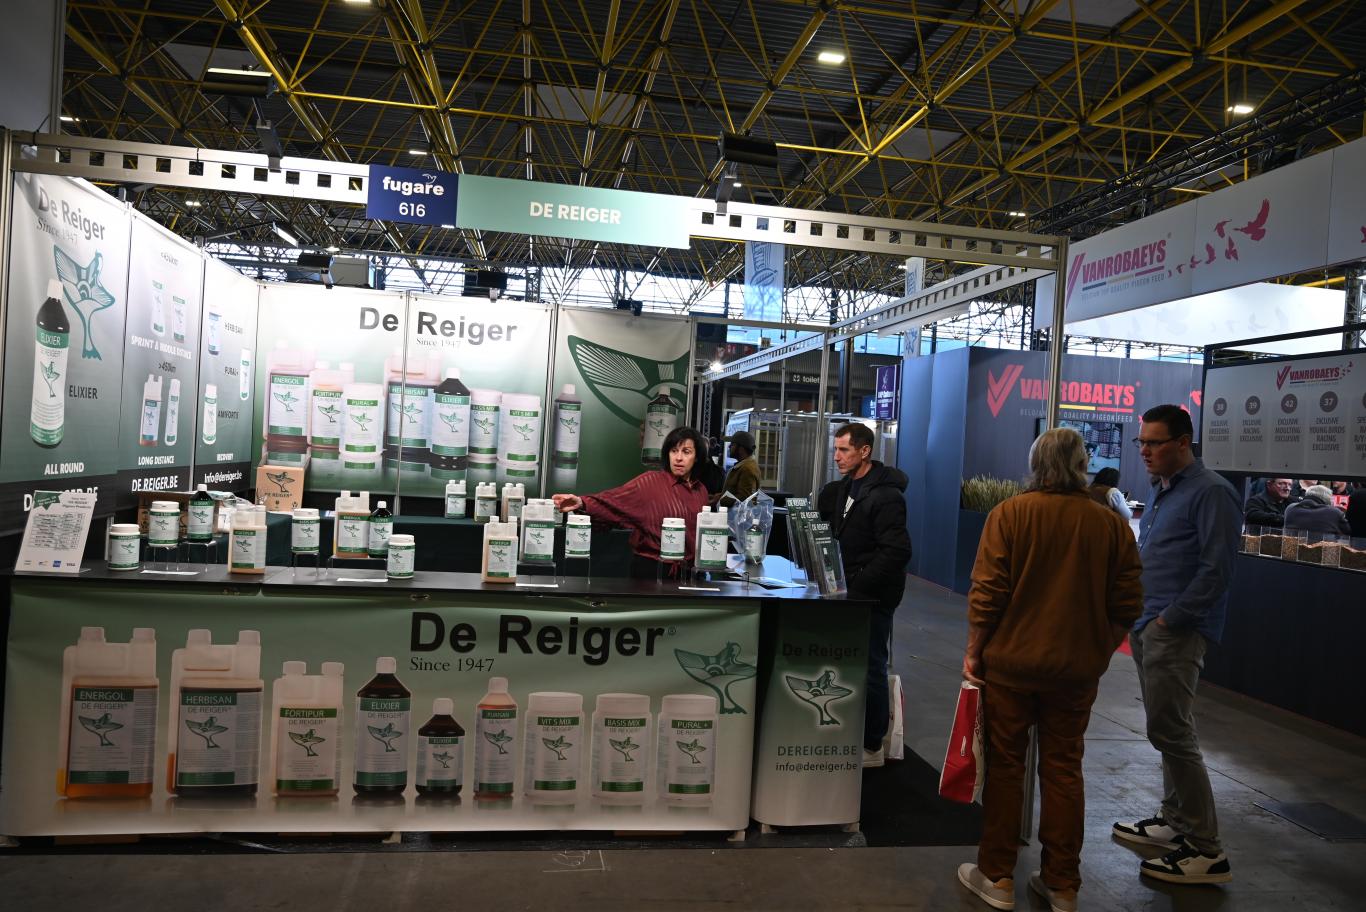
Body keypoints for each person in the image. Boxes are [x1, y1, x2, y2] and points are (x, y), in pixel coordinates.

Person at [957, 428, 1143, 912]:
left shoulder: (1009, 514)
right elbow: (1128, 603)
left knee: (1005, 768)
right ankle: (1062, 883)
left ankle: (997, 875)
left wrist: (975, 650)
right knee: (1064, 769)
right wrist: (1098, 649)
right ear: (1082, 465)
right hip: (1075, 672)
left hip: (1010, 667)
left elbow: (988, 593)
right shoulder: (1110, 526)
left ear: (1035, 465)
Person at [1113, 404, 1240, 885]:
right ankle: (1176, 819)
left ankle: (1207, 849)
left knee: (1173, 733)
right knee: (1165, 729)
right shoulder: (1163, 489)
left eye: (1154, 442)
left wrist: (1170, 619)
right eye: (1141, 442)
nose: (1144, 451)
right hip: (1149, 624)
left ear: (1183, 442)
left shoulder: (1212, 492)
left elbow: (1217, 570)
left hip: (1175, 630)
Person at [816, 422, 912, 769]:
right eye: (836, 449)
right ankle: (855, 734)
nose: (837, 456)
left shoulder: (887, 496)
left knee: (872, 667)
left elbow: (897, 551)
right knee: (853, 666)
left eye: (844, 450)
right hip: (849, 594)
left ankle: (872, 745)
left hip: (872, 598)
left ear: (864, 451)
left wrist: (857, 586)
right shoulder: (843, 489)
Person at [553, 426, 713, 579]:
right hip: (652, 571)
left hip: (688, 574)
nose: (678, 458)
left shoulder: (701, 491)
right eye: (674, 451)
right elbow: (613, 500)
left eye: (686, 452)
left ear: (697, 457)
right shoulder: (651, 482)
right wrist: (582, 502)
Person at [1283, 485, 1352, 535]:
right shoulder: (1334, 512)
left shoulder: (1290, 508)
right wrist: (1344, 513)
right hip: (1323, 550)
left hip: (1294, 549)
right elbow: (1348, 531)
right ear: (1327, 500)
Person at [721, 431, 761, 505]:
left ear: (741, 448)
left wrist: (720, 499)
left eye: (732, 444)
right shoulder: (744, 466)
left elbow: (744, 499)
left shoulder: (747, 469)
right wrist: (718, 496)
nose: (729, 447)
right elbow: (734, 492)